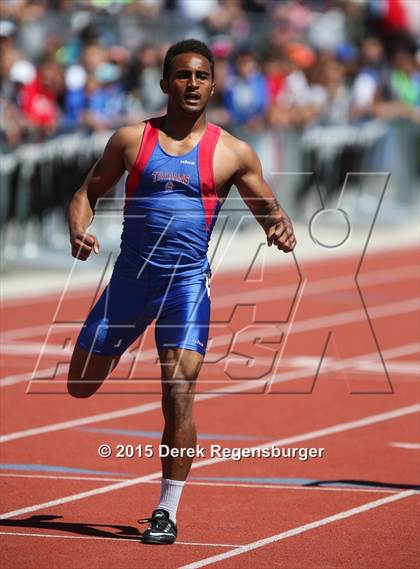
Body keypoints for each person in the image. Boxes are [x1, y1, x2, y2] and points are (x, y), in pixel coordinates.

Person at [67, 38, 296, 545]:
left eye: (200, 76)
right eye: (182, 75)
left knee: (179, 391)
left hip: (186, 286)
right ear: (165, 82)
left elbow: (269, 207)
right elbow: (87, 192)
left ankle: (166, 509)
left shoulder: (233, 151)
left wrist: (278, 227)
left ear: (212, 85)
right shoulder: (131, 140)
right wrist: (77, 227)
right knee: (79, 386)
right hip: (129, 283)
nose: (192, 84)